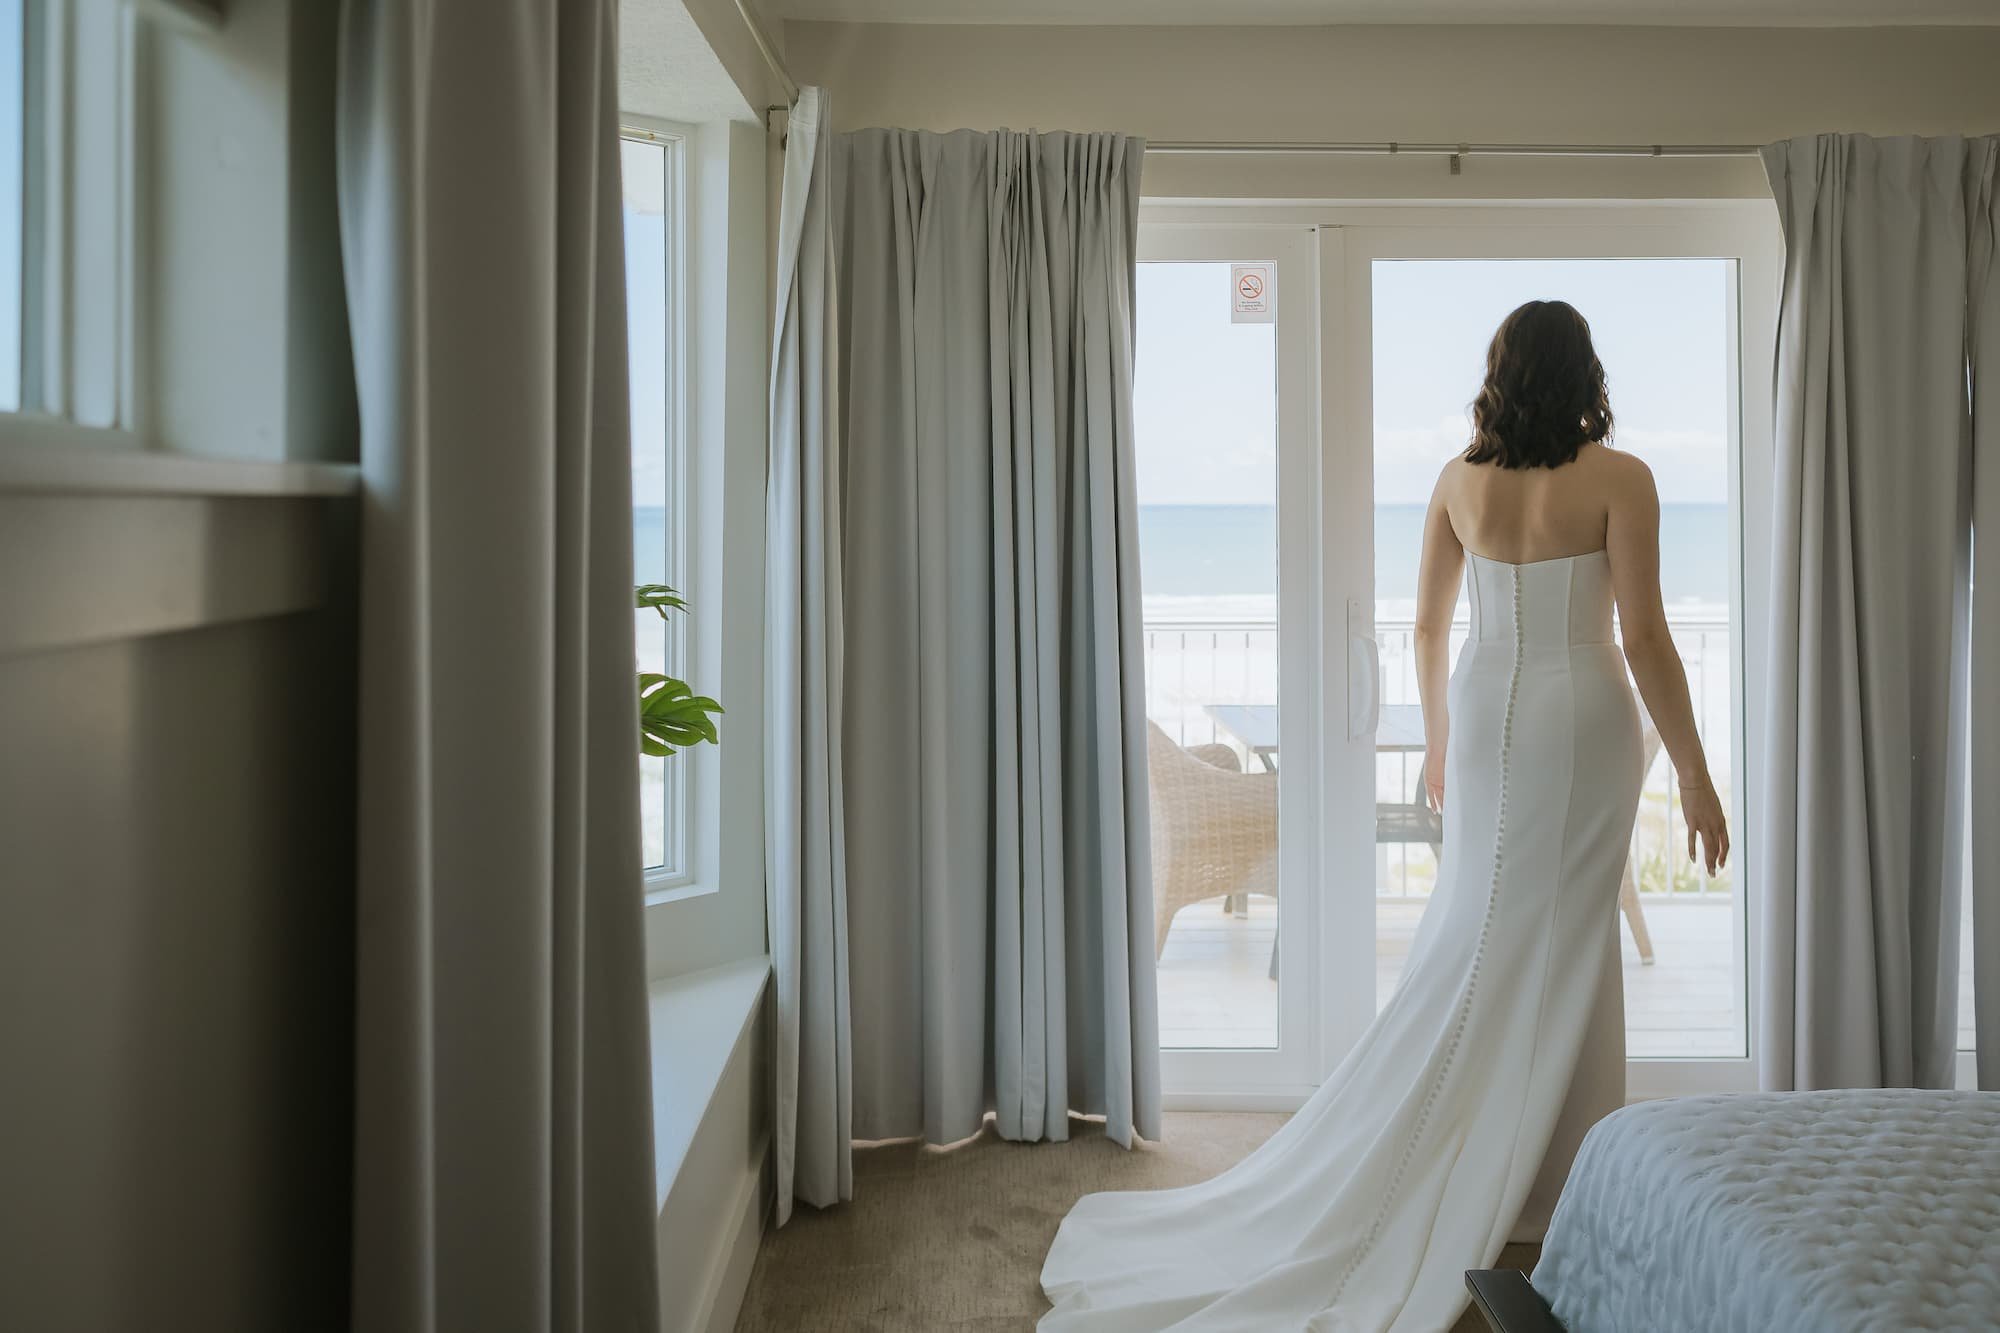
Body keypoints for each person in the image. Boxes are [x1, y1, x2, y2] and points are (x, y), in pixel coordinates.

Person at [1039, 299, 1729, 1331]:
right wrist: (1693, 770)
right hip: (1582, 719)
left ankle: (1522, 1162)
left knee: (1478, 932)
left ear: (1500, 374)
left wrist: (1444, 741)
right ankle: (1551, 1180)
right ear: (1585, 375)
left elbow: (1424, 625)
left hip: (1492, 704)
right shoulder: (1620, 480)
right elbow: (1643, 636)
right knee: (1566, 944)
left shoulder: (1459, 481)